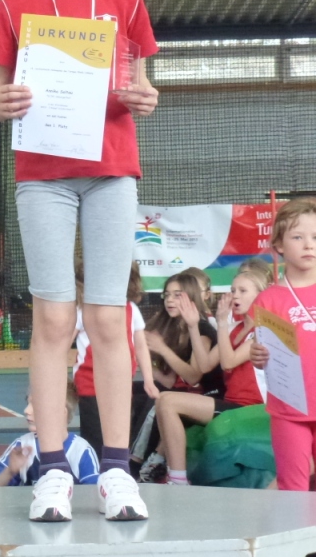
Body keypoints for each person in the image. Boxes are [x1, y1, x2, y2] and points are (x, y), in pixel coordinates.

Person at [0, 0, 158, 521]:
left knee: (109, 318)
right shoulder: (14, 5)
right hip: (44, 178)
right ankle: (52, 469)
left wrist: (145, 96)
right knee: (54, 320)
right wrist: (0, 103)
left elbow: (143, 83)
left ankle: (116, 471)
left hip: (112, 171)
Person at [153, 270, 269, 485]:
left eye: (243, 291)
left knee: (169, 401)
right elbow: (205, 365)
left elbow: (228, 362)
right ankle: (168, 469)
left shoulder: (263, 331)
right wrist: (192, 326)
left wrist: (222, 323)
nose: (235, 295)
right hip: (231, 404)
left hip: (251, 408)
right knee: (163, 400)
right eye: (233, 290)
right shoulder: (235, 329)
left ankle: (177, 478)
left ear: (260, 295)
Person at [250, 198, 316, 491]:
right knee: (292, 489)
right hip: (289, 410)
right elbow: (261, 349)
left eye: (315, 237)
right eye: (298, 237)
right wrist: (256, 355)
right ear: (278, 244)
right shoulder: (267, 299)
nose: (308, 245)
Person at [133, 272, 223, 480]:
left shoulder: (202, 329)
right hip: (188, 393)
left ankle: (137, 463)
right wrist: (141, 360)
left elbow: (193, 377)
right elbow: (169, 380)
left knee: (157, 402)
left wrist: (163, 349)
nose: (170, 300)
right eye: (167, 295)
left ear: (192, 297)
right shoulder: (176, 328)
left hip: (211, 395)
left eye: (177, 295)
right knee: (139, 394)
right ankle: (145, 460)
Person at [72, 260, 158, 458]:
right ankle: (94, 467)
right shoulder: (84, 310)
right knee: (95, 434)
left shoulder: (130, 309)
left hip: (120, 383)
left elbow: (140, 345)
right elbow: (65, 339)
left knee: (120, 432)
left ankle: (117, 466)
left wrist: (148, 379)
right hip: (89, 383)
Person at [0, 383, 100, 487]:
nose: (26, 410)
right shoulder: (22, 446)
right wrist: (9, 472)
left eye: (36, 405)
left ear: (61, 412)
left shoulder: (81, 451)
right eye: (28, 403)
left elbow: (93, 495)